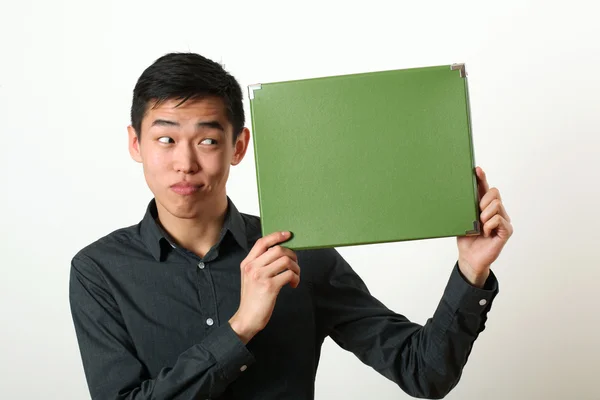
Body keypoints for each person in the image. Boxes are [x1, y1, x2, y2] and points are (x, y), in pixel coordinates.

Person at [69, 52, 513, 400]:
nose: (184, 163)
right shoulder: (100, 271)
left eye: (207, 140)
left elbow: (424, 373)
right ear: (136, 144)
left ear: (239, 146)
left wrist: (470, 272)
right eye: (165, 139)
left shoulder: (303, 251)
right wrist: (241, 327)